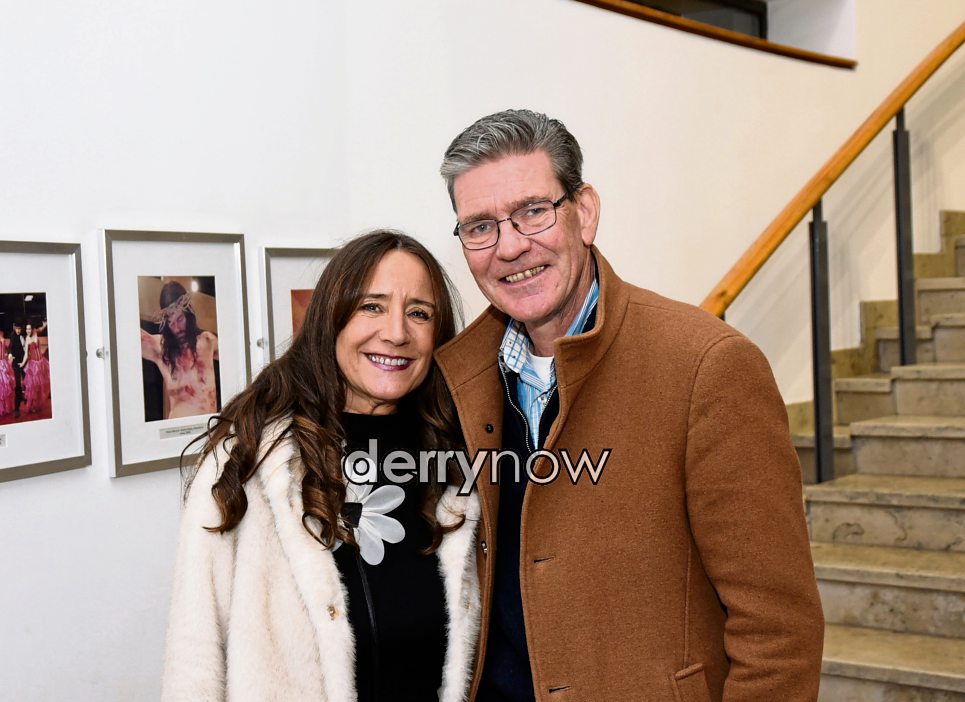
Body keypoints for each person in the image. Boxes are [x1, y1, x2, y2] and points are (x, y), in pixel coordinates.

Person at [434, 109, 824, 701]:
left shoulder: (707, 367)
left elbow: (778, 632)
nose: (509, 246)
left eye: (534, 211)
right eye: (480, 226)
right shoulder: (456, 377)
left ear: (585, 211)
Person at [162, 230, 480, 702]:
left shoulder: (459, 461)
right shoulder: (248, 458)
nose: (396, 332)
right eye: (371, 306)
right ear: (331, 318)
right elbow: (194, 653)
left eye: (419, 313)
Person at [140, 281, 219, 420]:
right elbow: (124, 333)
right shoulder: (161, 348)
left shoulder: (207, 341)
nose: (176, 328)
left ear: (188, 313)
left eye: (180, 319)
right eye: (171, 323)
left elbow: (236, 355)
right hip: (178, 429)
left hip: (209, 427)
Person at [21, 320, 50, 415]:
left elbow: (41, 328)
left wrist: (45, 324)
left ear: (33, 329)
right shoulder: (27, 339)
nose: (28, 331)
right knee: (33, 387)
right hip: (33, 366)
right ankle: (30, 406)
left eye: (29, 329)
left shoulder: (36, 333)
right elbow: (26, 354)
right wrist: (22, 363)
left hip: (41, 364)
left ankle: (36, 406)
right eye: (26, 329)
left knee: (40, 387)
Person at [8, 320, 27, 418]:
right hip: (16, 362)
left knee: (27, 381)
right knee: (18, 383)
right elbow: (10, 347)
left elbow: (25, 348)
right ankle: (17, 407)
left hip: (24, 361)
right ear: (14, 328)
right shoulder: (12, 335)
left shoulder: (24, 335)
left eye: (19, 328)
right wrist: (10, 354)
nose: (18, 330)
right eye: (17, 328)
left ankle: (27, 399)